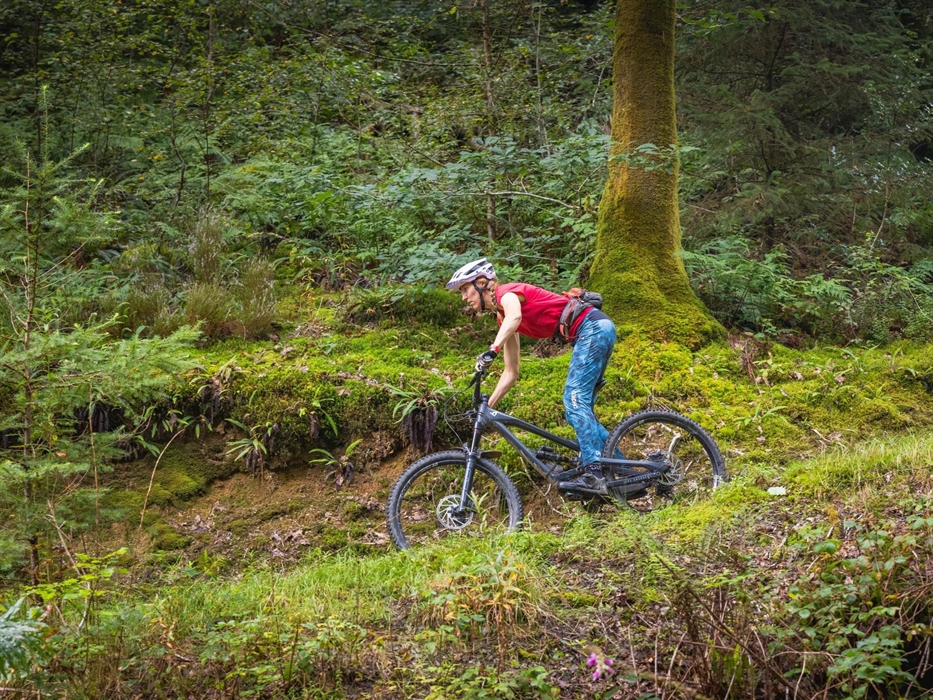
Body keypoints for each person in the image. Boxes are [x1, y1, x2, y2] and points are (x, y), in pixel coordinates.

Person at [446, 257, 617, 494]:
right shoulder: (502, 318)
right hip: (594, 331)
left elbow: (516, 316)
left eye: (465, 289)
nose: (465, 297)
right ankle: (622, 470)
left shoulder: (507, 294)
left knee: (573, 399)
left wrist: (492, 349)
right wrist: (486, 410)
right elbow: (511, 372)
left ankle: (593, 473)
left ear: (482, 283)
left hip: (592, 328)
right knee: (579, 410)